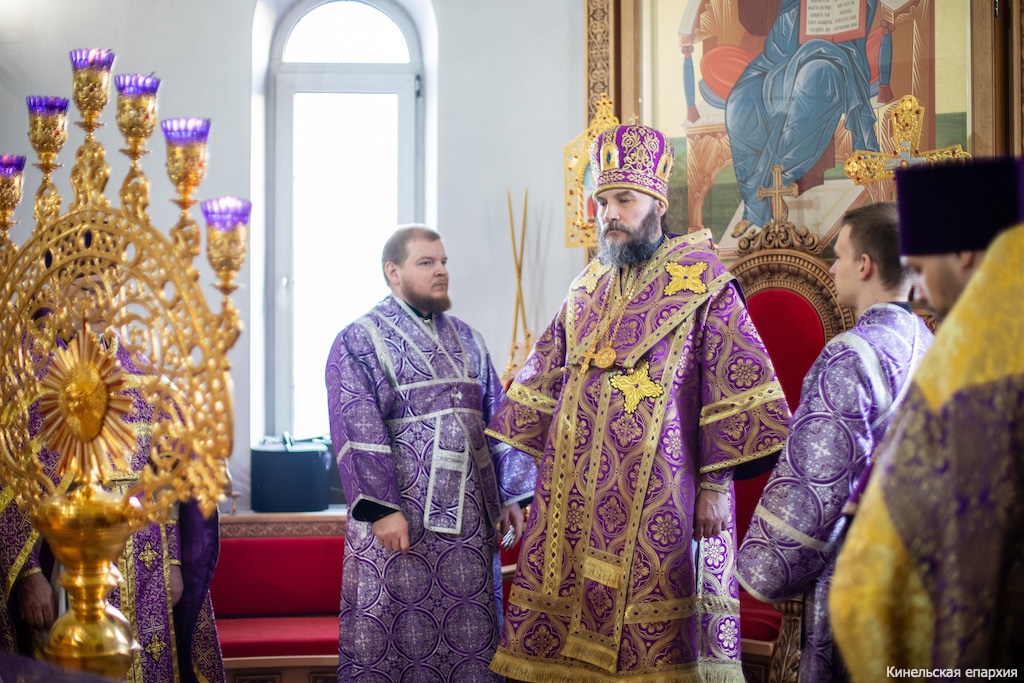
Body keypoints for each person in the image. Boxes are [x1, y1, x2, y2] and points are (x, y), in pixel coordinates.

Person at [485, 124, 791, 682]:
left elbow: (734, 387)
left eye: (624, 200)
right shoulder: (585, 287)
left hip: (665, 497)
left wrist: (716, 487)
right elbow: (538, 384)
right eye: (602, 202)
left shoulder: (703, 282)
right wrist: (517, 482)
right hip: (576, 496)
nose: (610, 215)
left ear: (657, 203)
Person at [830, 157, 1024, 678]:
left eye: (921, 268)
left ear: (963, 254)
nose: (920, 291)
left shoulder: (978, 366)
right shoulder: (956, 338)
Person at [325, 225, 536, 682]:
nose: (441, 271)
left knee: (471, 641)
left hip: (469, 529)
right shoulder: (359, 340)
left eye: (443, 262)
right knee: (396, 634)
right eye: (426, 263)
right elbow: (356, 425)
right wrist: (382, 510)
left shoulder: (469, 339)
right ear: (393, 271)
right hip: (402, 523)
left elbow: (498, 419)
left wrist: (511, 494)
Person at [735, 201, 933, 681]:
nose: (832, 268)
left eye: (839, 256)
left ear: (865, 265)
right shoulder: (930, 344)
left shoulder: (851, 356)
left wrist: (761, 567)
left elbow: (815, 488)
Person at [0, 323, 224, 683]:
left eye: (102, 291)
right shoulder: (30, 371)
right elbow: (9, 486)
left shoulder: (141, 369)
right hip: (71, 558)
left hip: (146, 563)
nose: (94, 301)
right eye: (82, 291)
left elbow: (168, 476)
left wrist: (173, 561)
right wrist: (29, 575)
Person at [725, 0, 880, 234]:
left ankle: (774, 185)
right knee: (738, 104)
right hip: (776, 58)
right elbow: (755, 19)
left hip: (830, 51)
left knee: (813, 81)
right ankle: (756, 204)